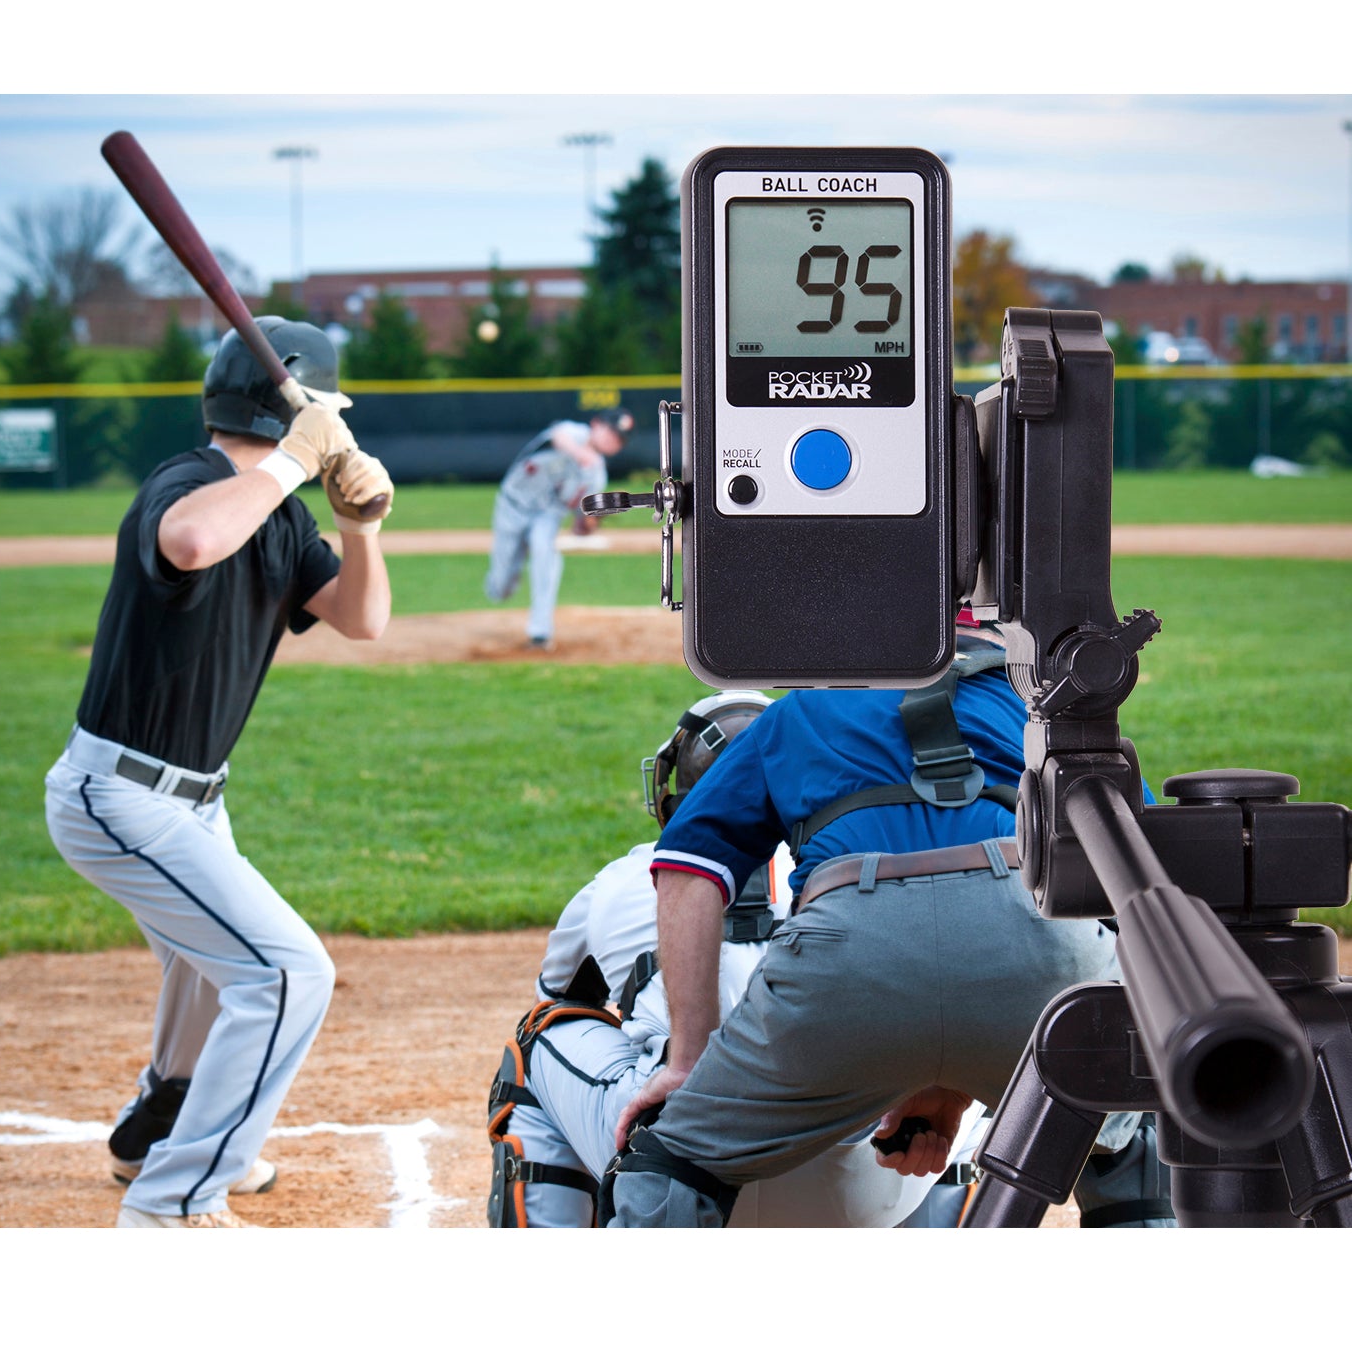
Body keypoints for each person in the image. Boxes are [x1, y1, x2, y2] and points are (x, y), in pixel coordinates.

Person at [603, 617, 1174, 1228]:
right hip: (1040, 956)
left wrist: (687, 1064)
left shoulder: (798, 714)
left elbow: (688, 868)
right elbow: (1143, 876)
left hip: (845, 967)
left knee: (674, 1166)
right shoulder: (1052, 715)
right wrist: (970, 1071)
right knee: (1129, 1137)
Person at [44, 317, 394, 1229]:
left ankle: (156, 1130)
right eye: (325, 413)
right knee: (284, 975)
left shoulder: (282, 513)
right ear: (297, 412)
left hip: (196, 799)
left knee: (213, 965)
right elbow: (191, 543)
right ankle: (175, 1203)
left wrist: (362, 528)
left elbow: (363, 618)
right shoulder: (192, 482)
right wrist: (288, 463)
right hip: (119, 793)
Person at [487, 691, 989, 1228]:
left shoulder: (624, 879)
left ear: (673, 794)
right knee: (960, 1058)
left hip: (677, 1174)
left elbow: (560, 993)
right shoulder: (863, 863)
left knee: (537, 1036)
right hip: (872, 1177)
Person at [483, 407, 633, 649]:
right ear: (595, 424)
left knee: (545, 553)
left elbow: (580, 525)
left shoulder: (596, 476)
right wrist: (581, 454)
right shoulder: (573, 432)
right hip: (512, 505)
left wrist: (588, 525)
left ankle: (540, 633)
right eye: (610, 431)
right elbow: (558, 436)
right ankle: (507, 579)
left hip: (547, 514)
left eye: (618, 439)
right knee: (500, 588)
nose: (611, 439)